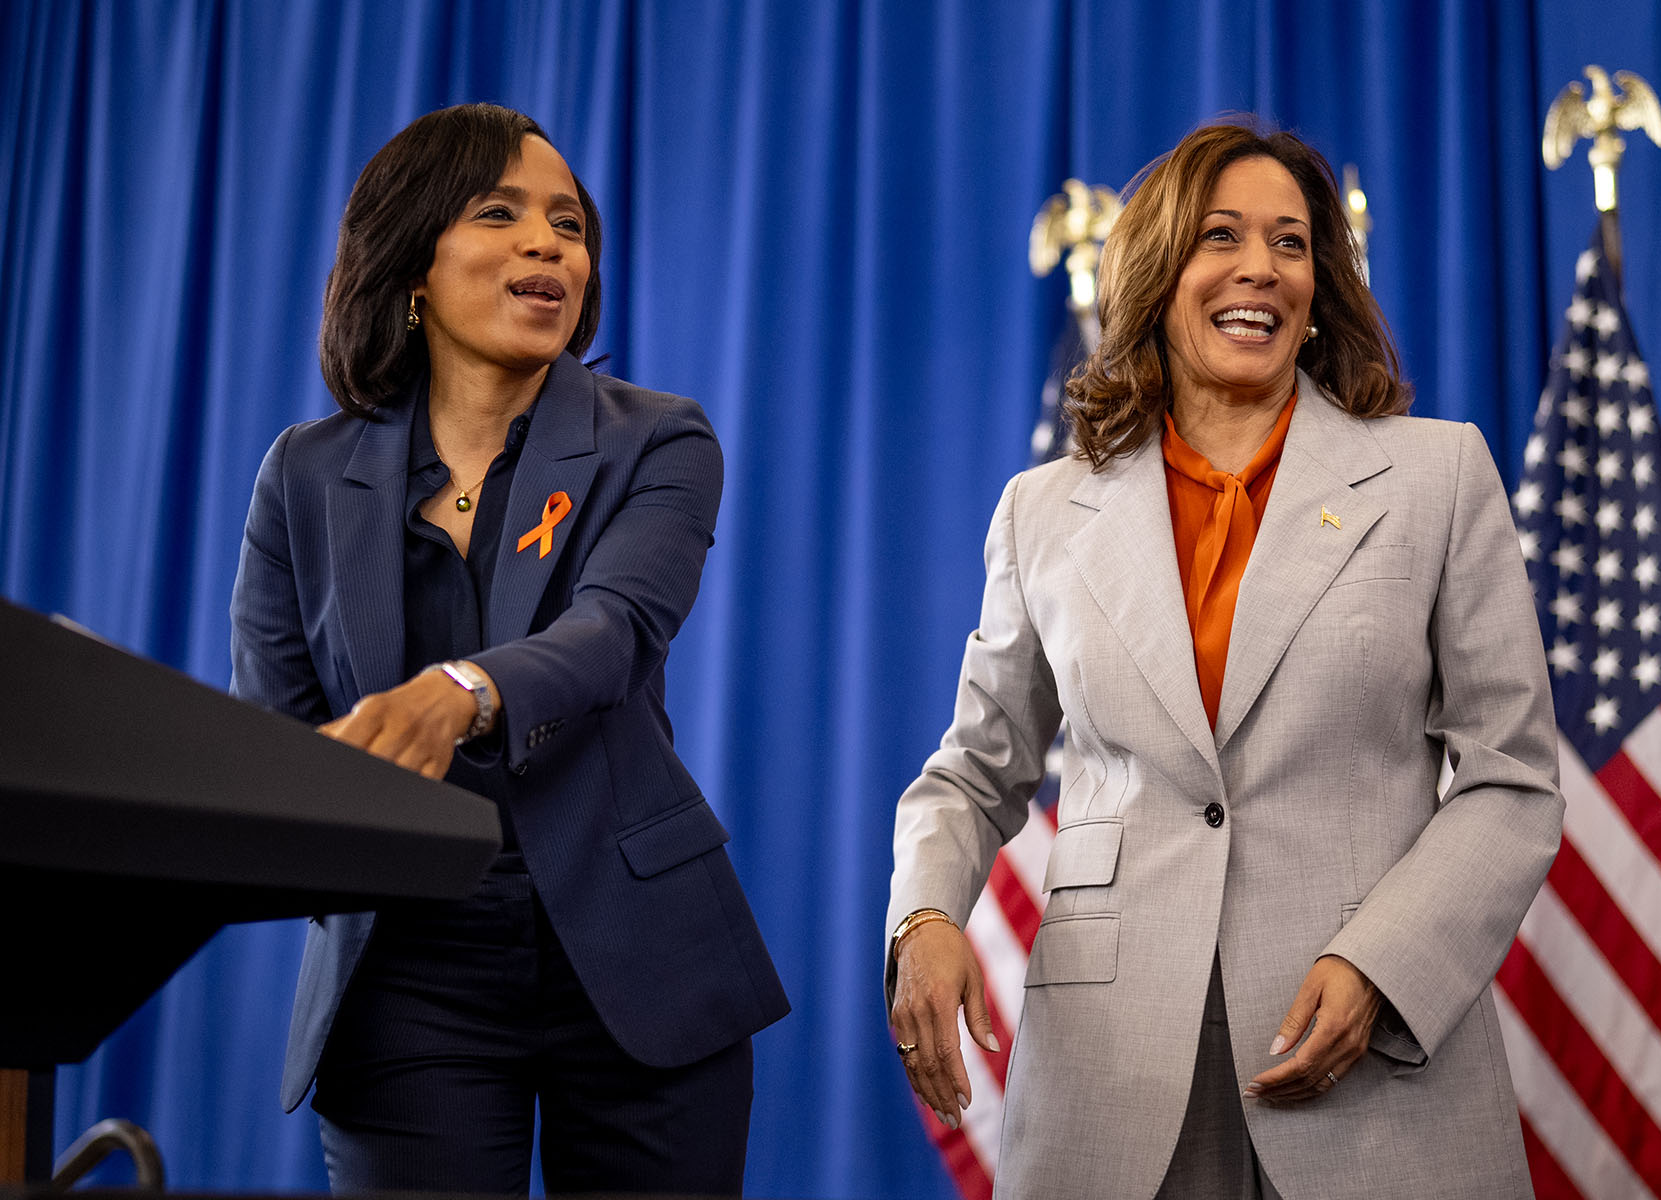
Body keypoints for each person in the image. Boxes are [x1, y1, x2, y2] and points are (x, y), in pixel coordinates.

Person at [885, 120, 1563, 1199]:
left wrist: (1381, 965)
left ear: (1320, 285)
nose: (1261, 269)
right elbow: (972, 769)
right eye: (1222, 237)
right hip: (1111, 1064)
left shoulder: (1440, 477)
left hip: (1365, 1055)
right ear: (1157, 273)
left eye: (1292, 244)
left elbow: (1511, 777)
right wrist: (924, 917)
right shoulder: (1044, 511)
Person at [230, 103, 788, 1196]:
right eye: (502, 213)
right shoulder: (303, 473)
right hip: (405, 964)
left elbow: (613, 630)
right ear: (413, 270)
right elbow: (279, 732)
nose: (549, 244)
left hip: (638, 950)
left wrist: (458, 692)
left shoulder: (656, 438)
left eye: (569, 225)